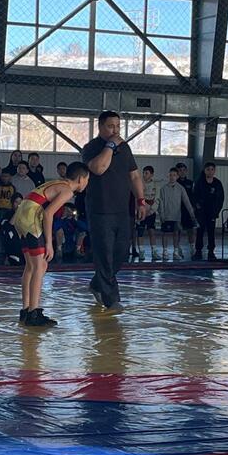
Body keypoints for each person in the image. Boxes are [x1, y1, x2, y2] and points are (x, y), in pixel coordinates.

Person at [81, 111, 145, 311]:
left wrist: (141, 200)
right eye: (110, 126)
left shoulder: (125, 148)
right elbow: (98, 168)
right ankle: (111, 299)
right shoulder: (91, 148)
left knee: (121, 252)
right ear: (100, 127)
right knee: (104, 254)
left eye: (118, 126)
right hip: (100, 210)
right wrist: (109, 146)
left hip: (123, 210)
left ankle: (97, 283)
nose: (115, 130)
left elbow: (134, 176)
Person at [13, 162, 90, 326]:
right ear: (80, 179)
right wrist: (49, 243)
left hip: (21, 213)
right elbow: (48, 214)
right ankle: (34, 313)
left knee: (31, 266)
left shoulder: (58, 183)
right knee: (40, 265)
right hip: (31, 215)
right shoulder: (67, 190)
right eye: (87, 179)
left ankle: (26, 310)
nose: (87, 183)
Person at [158, 167, 194, 261]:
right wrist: (162, 215)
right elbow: (161, 202)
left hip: (177, 216)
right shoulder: (163, 189)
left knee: (176, 233)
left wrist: (192, 214)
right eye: (170, 175)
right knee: (165, 233)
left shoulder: (181, 188)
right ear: (168, 176)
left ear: (177, 176)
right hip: (166, 215)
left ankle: (176, 252)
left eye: (174, 175)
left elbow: (186, 201)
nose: (172, 177)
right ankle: (165, 251)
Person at [192, 162, 225, 261]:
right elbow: (194, 196)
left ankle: (211, 251)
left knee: (211, 232)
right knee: (200, 231)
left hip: (212, 212)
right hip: (201, 212)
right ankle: (198, 251)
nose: (210, 171)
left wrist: (216, 211)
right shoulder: (199, 182)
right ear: (205, 170)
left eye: (212, 169)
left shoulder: (217, 183)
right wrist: (197, 207)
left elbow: (220, 198)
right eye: (208, 169)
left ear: (214, 171)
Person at [175, 163, 196, 255]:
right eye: (180, 170)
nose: (182, 172)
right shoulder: (174, 183)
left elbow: (194, 196)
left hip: (188, 210)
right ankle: (177, 248)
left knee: (191, 230)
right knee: (177, 230)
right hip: (177, 210)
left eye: (184, 170)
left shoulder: (191, 183)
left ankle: (192, 248)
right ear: (177, 172)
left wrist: (193, 208)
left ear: (186, 171)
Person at [0, 170, 16, 246]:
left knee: (5, 229)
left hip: (8, 210)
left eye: (6, 176)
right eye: (3, 176)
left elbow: (13, 199)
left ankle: (3, 247)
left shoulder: (12, 187)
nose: (4, 178)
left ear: (10, 177)